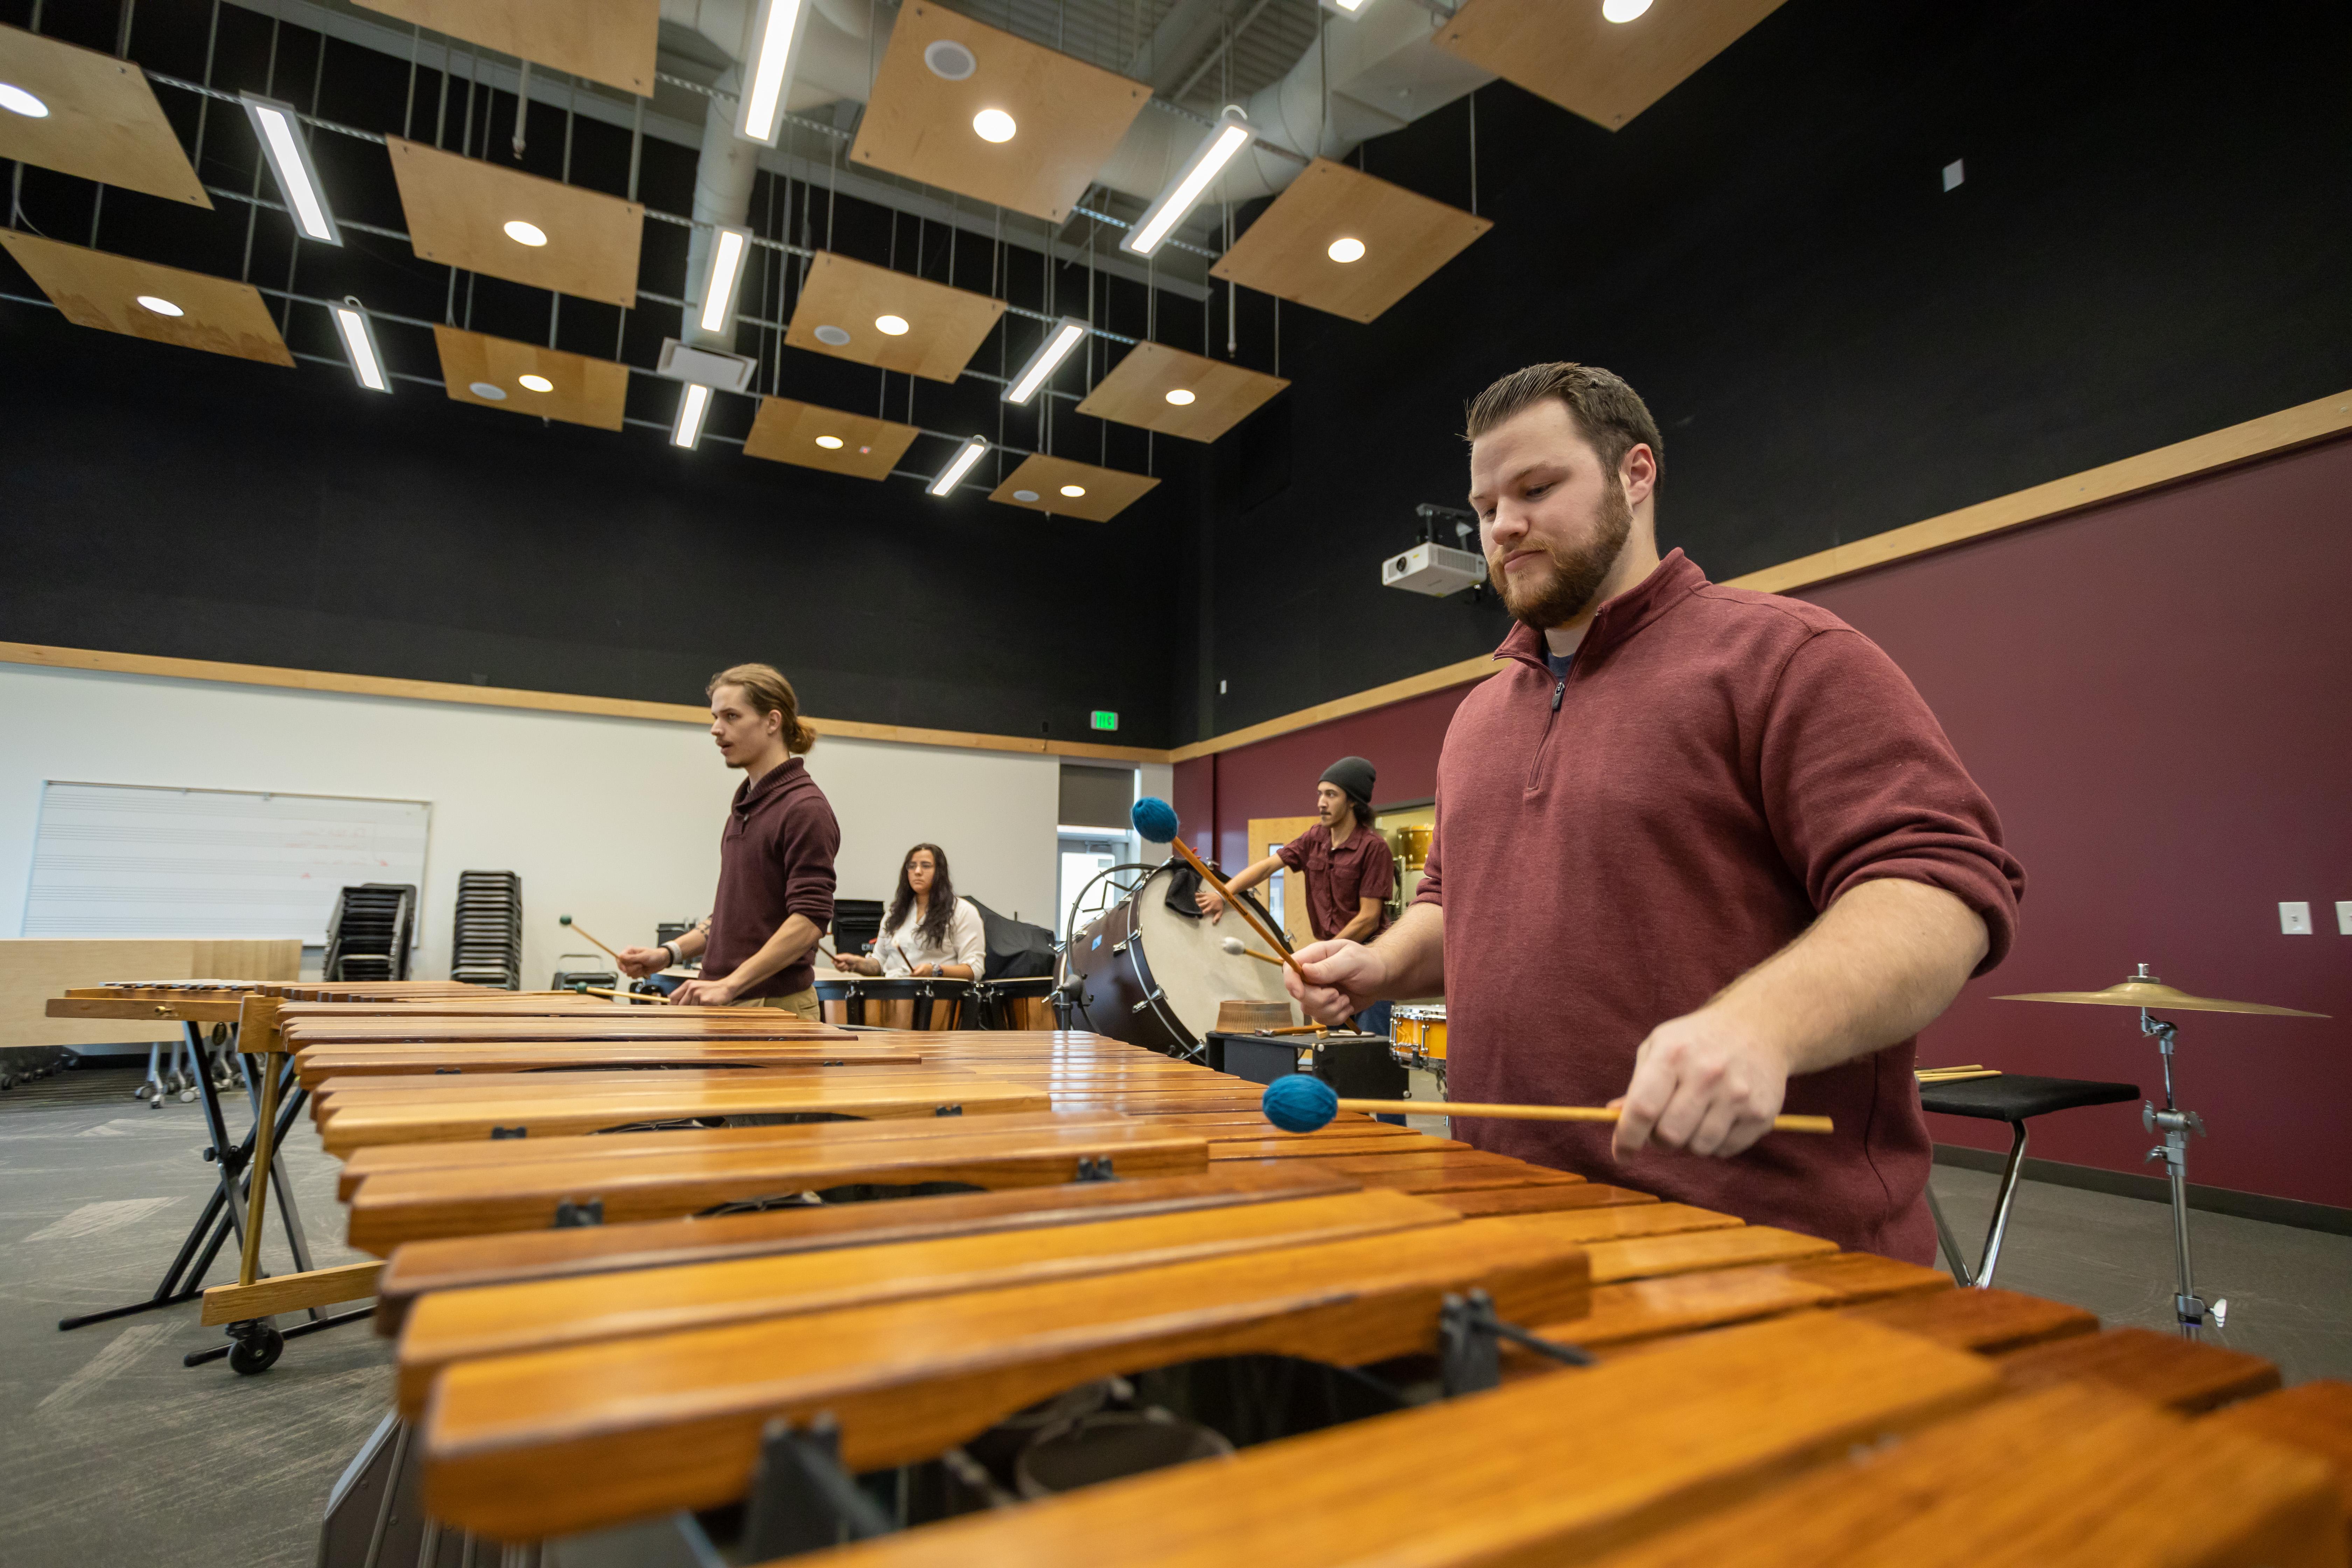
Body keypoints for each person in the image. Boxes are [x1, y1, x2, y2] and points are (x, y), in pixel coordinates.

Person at [1283, 362, 2024, 1262]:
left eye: (1537, 487)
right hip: (1510, 1222)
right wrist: (1376, 963)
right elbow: (1452, 905)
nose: (1503, 524)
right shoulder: (1478, 718)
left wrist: (1760, 1024)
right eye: (1485, 508)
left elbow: (1937, 895)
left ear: (1637, 475)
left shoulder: (1789, 658)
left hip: (1767, 1250)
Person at [617, 664, 839, 1019]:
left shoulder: (804, 808)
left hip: (772, 1009)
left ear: (772, 721)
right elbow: (733, 917)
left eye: (731, 716)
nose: (716, 729)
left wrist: (731, 984)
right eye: (716, 717)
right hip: (728, 1002)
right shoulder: (747, 805)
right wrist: (669, 953)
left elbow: (810, 920)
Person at [1198, 757, 1396, 1032]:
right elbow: (1268, 866)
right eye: (1320, 794)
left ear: (1353, 801)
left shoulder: (1375, 849)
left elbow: (1369, 919)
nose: (1321, 803)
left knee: (1372, 1051)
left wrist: (1327, 957)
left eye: (1331, 794)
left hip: (1371, 963)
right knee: (1334, 1052)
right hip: (1334, 964)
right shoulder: (1315, 838)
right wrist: (1224, 893)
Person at [835, 843, 987, 1026]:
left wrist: (935, 971)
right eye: (912, 866)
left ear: (941, 872)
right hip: (891, 1002)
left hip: (938, 1007)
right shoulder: (896, 912)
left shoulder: (963, 912)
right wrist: (856, 964)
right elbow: (879, 965)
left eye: (926, 866)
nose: (917, 872)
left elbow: (975, 970)